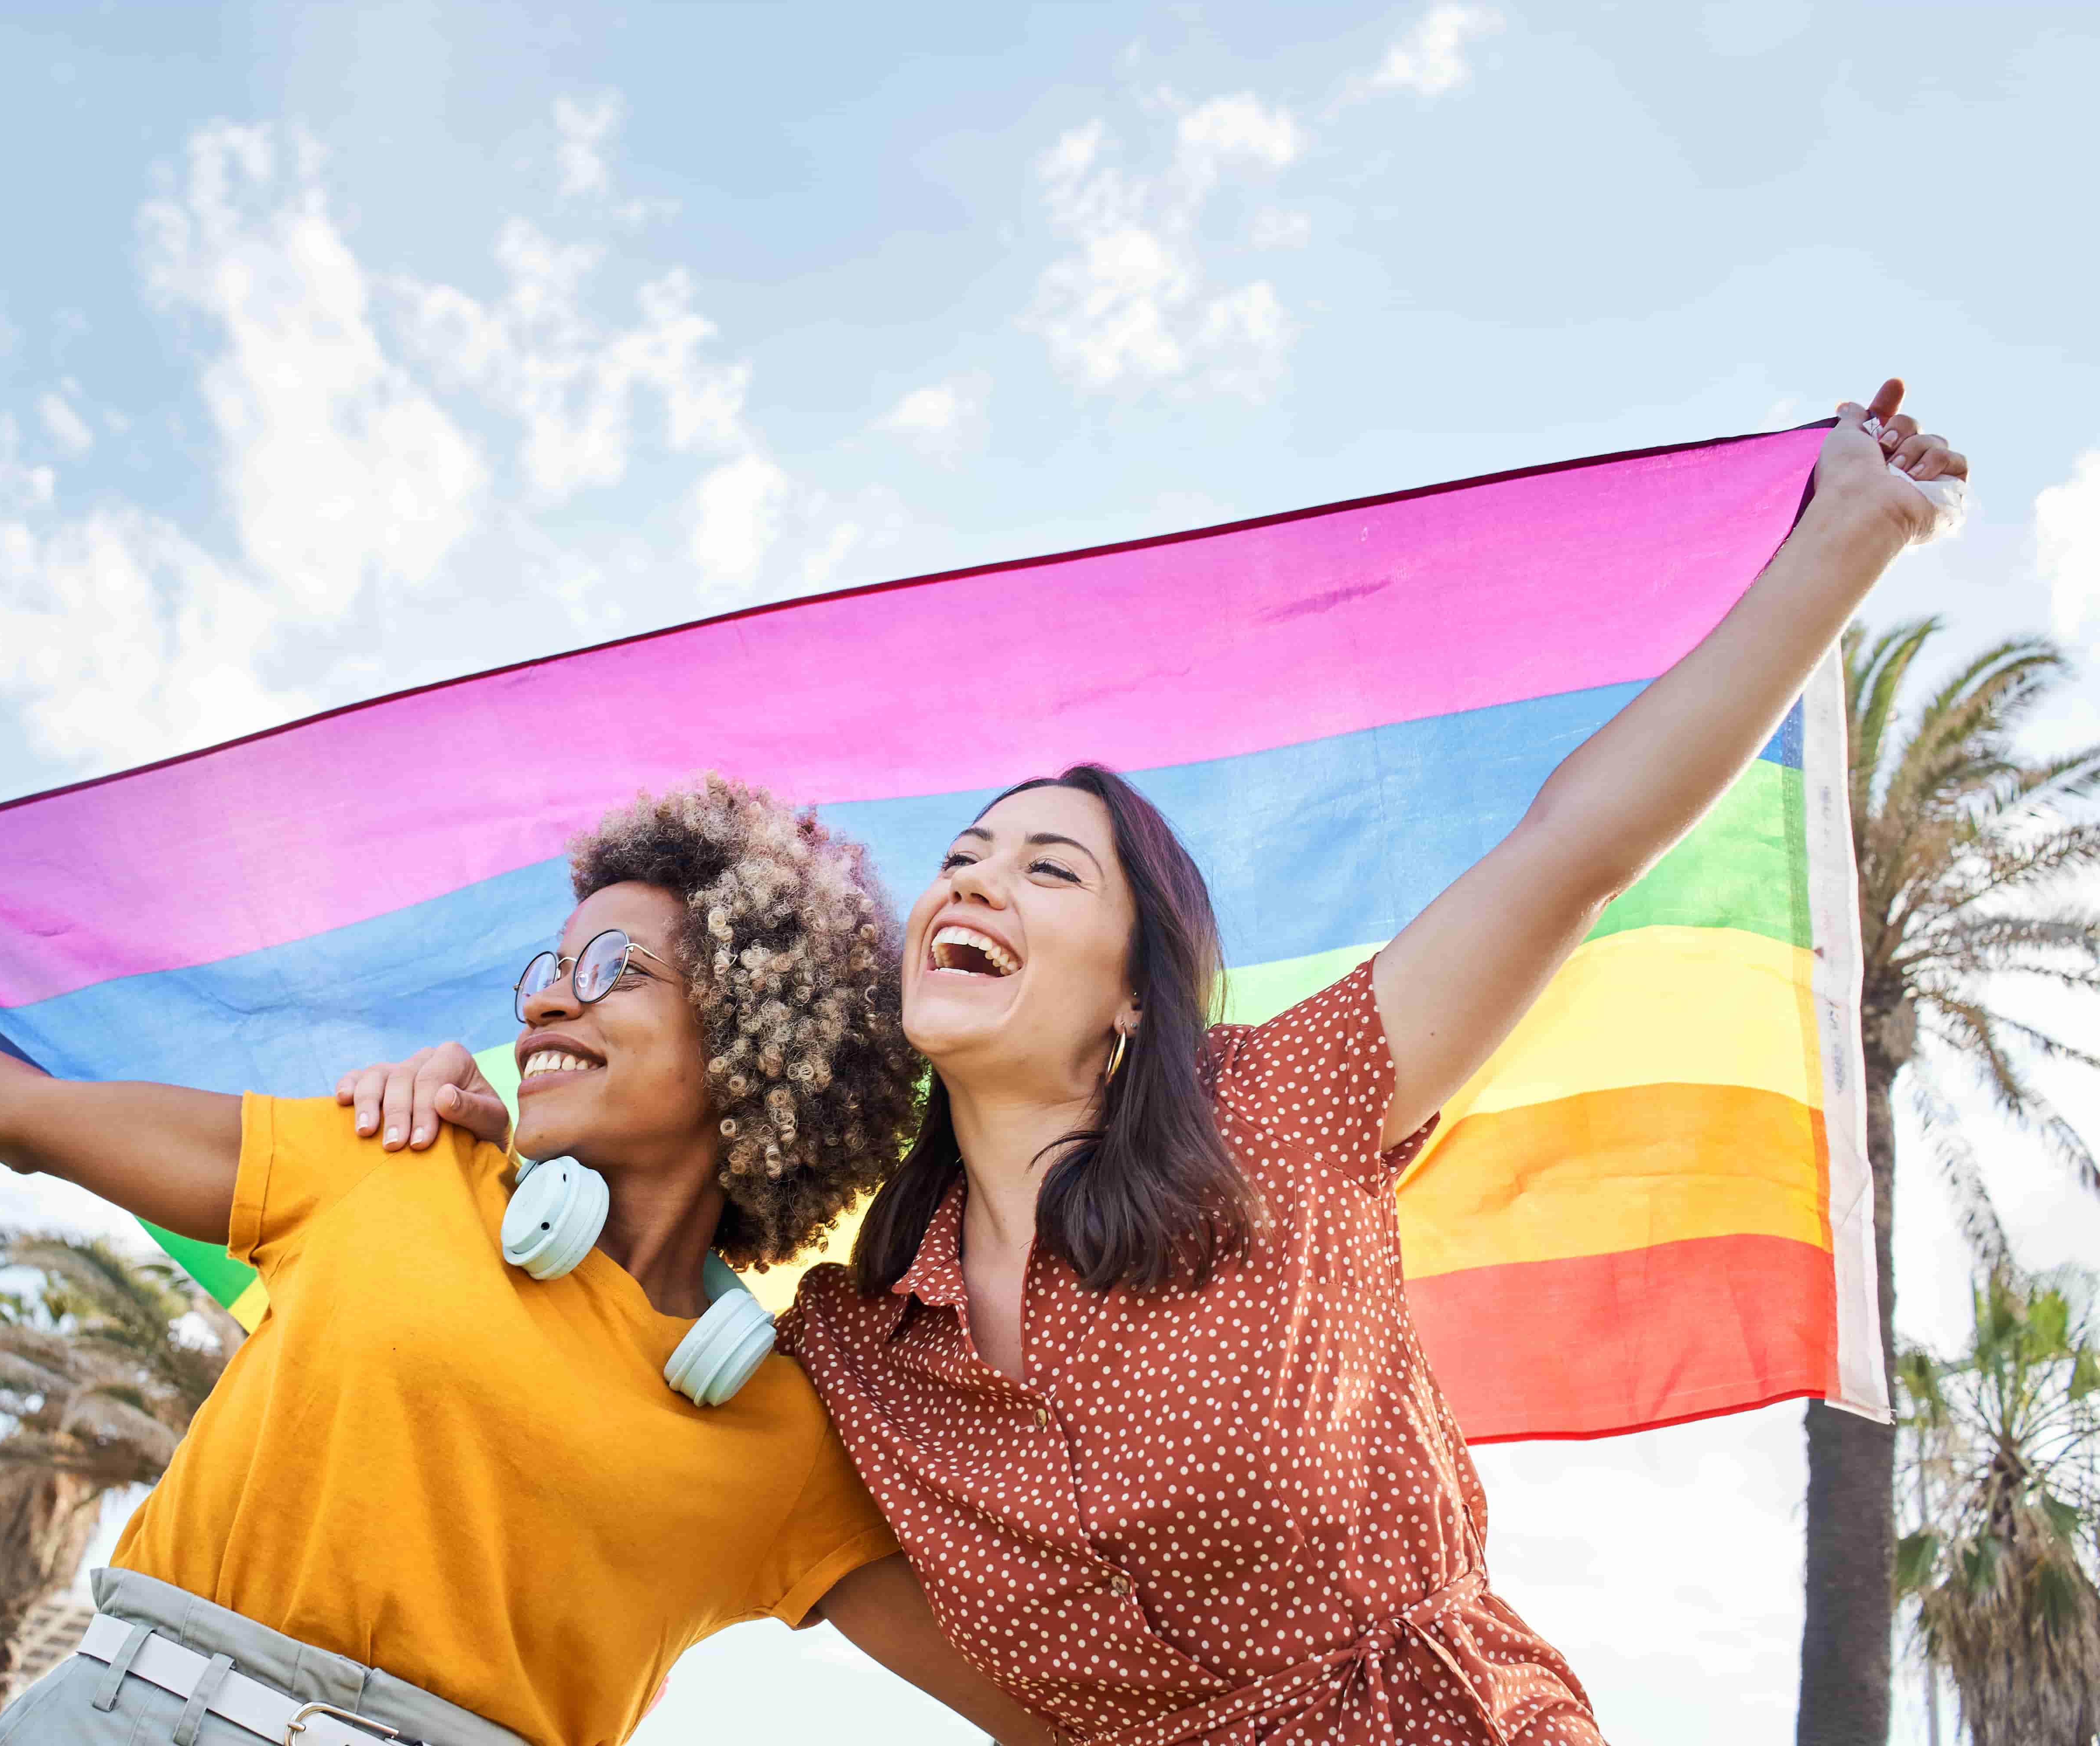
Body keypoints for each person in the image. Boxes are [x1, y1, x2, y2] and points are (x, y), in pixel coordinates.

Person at [356, 388, 1966, 1743]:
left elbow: (1574, 848)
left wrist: (1847, 542)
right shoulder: (845, 1355)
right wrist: (496, 1138)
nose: (973, 881)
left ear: (1132, 1000)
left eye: (1049, 870)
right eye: (968, 856)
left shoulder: (1286, 1105)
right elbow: (588, 1350)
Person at [0, 776, 1048, 1746]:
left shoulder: (782, 1435)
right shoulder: (393, 1161)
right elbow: (21, 1121)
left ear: (758, 1035)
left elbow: (1057, 1704)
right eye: (547, 966)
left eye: (612, 970)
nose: (543, 1000)